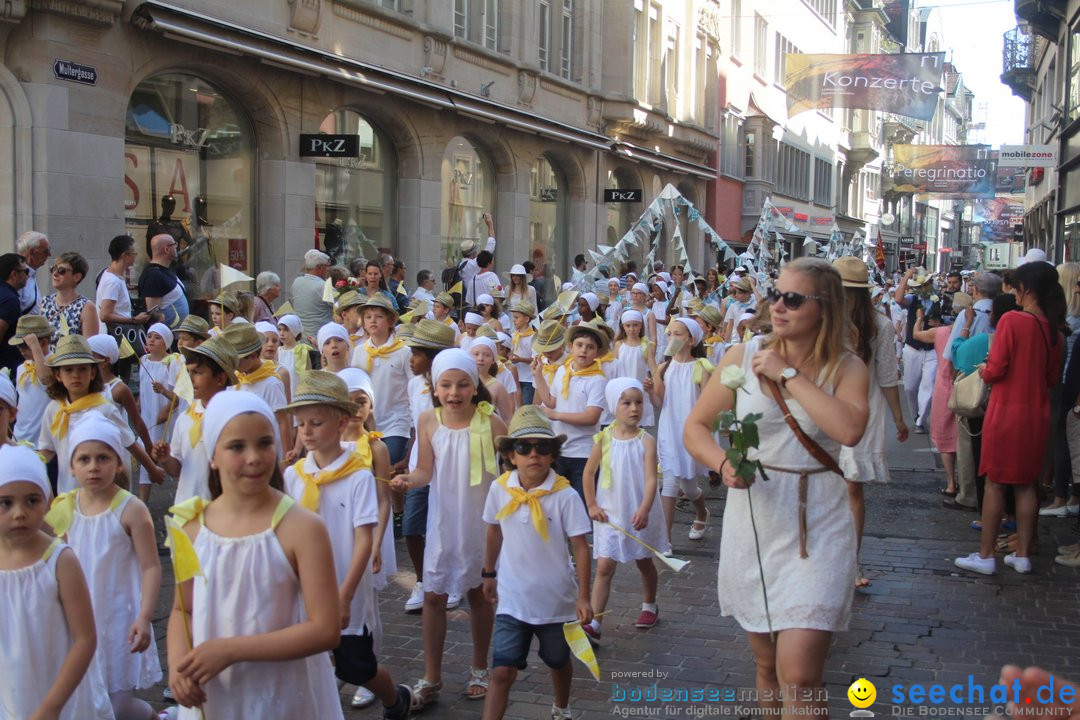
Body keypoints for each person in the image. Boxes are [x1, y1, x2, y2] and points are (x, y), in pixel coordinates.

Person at [684, 258, 869, 719]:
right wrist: (724, 463)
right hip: (756, 518)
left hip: (818, 521)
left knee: (801, 674)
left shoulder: (847, 368)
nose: (778, 307)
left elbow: (848, 430)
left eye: (793, 298)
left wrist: (787, 373)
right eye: (775, 295)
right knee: (767, 665)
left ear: (824, 308)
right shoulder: (740, 357)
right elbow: (696, 427)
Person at [165, 392, 345, 718]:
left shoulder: (302, 527)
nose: (254, 457)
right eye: (236, 447)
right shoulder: (189, 527)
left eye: (264, 443)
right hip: (215, 693)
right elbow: (183, 607)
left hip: (283, 694)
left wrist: (232, 650)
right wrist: (178, 663)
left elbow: (325, 629)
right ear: (213, 455)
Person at [282, 372, 413, 719]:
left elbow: (362, 538)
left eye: (316, 422)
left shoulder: (357, 476)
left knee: (357, 667)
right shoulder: (293, 477)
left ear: (341, 422)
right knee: (307, 663)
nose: (307, 431)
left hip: (345, 589)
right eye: (301, 424)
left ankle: (395, 698)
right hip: (303, 590)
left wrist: (345, 593)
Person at [390, 348, 507, 710]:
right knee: (433, 596)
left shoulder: (491, 422)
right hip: (444, 520)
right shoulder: (428, 420)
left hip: (480, 520)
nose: (454, 393)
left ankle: (479, 669)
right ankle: (432, 675)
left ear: (474, 387)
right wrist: (408, 479)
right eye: (446, 385)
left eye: (462, 385)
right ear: (434, 388)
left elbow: (510, 472)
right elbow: (426, 470)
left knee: (479, 594)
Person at [481, 405, 593, 720]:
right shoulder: (500, 489)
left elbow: (581, 548)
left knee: (557, 660)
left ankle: (561, 706)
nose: (534, 455)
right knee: (502, 670)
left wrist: (584, 596)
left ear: (553, 454)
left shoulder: (564, 495)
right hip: (512, 598)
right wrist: (488, 572)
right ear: (510, 455)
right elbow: (493, 530)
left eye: (542, 447)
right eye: (524, 447)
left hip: (556, 601)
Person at [46, 418, 162, 720]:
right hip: (79, 615)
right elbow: (54, 558)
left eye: (103, 458)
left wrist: (146, 616)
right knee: (88, 698)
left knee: (118, 704)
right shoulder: (64, 507)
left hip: (119, 618)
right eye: (84, 459)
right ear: (71, 466)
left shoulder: (131, 509)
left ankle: (154, 716)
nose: (93, 466)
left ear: (119, 464)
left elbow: (151, 567)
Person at [955, 261, 1065, 576]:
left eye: (1015, 287)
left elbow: (996, 368)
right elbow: (1051, 376)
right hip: (1037, 412)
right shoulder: (1052, 329)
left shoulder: (1014, 321)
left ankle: (986, 554)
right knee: (1026, 486)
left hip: (1007, 411)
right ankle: (1021, 554)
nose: (1012, 293)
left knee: (995, 484)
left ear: (1026, 289)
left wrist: (983, 370)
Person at [0, 444, 113, 720]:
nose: (19, 513)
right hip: (11, 690)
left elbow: (85, 639)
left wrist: (51, 707)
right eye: (5, 503)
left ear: (47, 502)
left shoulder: (60, 561)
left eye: (32, 500)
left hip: (63, 696)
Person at [832, 258, 906, 588]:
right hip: (853, 409)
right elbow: (888, 378)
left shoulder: (871, 325)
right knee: (848, 489)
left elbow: (888, 376)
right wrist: (899, 419)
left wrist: (900, 417)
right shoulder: (875, 323)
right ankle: (846, 562)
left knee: (843, 486)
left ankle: (847, 561)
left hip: (843, 409)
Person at [581, 378, 666, 643]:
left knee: (643, 561)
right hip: (609, 511)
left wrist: (645, 508)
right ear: (613, 406)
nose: (634, 408)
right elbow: (588, 472)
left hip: (636, 510)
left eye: (638, 402)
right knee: (605, 565)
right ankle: (594, 623)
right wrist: (592, 504)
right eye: (626, 403)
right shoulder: (603, 438)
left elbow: (652, 478)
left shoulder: (646, 441)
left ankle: (650, 604)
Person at [39, 334, 164, 494]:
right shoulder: (54, 409)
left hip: (105, 489)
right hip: (69, 490)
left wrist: (152, 469)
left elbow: (129, 443)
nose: (75, 375)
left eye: (82, 369)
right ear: (58, 375)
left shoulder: (104, 408)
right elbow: (47, 449)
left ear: (92, 373)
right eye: (68, 370)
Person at [400, 320, 459, 614]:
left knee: (448, 526)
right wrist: (407, 459)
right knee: (412, 528)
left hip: (449, 467)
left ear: (434, 356)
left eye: (416, 353)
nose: (411, 360)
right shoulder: (413, 385)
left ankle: (455, 580)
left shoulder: (454, 385)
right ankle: (423, 579)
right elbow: (416, 426)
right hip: (419, 467)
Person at [647, 317, 712, 542]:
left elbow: (707, 403)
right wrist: (650, 391)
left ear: (691, 340)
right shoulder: (663, 368)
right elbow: (659, 402)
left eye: (678, 334)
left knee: (691, 488)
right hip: (669, 432)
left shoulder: (701, 367)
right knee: (670, 484)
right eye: (669, 334)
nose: (671, 338)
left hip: (690, 433)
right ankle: (666, 541)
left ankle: (702, 512)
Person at [154, 335, 237, 505]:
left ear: (220, 378)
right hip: (188, 512)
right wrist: (166, 459)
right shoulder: (185, 419)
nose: (190, 380)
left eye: (198, 373)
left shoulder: (235, 419)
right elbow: (177, 469)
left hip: (225, 513)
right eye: (188, 372)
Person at [530, 321, 608, 502]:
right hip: (559, 449)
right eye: (579, 345)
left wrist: (556, 415)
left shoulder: (597, 379)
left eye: (590, 347)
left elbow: (591, 417)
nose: (584, 351)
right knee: (557, 503)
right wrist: (538, 375)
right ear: (570, 347)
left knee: (581, 505)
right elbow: (550, 401)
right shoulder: (562, 371)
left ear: (596, 352)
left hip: (583, 452)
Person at [351, 294, 413, 476]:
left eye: (379, 316)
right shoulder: (359, 351)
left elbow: (413, 387)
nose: (373, 321)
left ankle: (394, 505)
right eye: (368, 317)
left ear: (390, 321)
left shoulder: (404, 352)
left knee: (389, 467)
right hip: (368, 421)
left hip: (396, 422)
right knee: (368, 470)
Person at [224, 323, 292, 450]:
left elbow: (283, 421)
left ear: (254, 355)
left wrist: (286, 457)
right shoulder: (236, 380)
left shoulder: (271, 384)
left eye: (238, 360)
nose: (234, 365)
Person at [137, 323, 183, 503]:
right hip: (148, 417)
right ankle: (142, 502)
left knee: (173, 456)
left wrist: (164, 393)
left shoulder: (172, 363)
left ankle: (182, 494)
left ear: (166, 342)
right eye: (150, 336)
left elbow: (177, 396)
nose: (152, 340)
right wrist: (139, 403)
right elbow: (142, 387)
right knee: (146, 457)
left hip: (165, 418)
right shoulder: (143, 360)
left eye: (157, 338)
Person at [893, 267, 939, 433]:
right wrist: (906, 276)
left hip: (932, 348)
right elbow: (898, 299)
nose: (924, 287)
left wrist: (940, 324)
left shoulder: (939, 299)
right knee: (910, 387)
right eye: (921, 285)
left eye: (926, 283)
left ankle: (920, 420)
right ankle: (915, 414)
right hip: (913, 347)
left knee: (929, 385)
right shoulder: (913, 299)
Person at [39, 252, 100, 351]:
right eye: (53, 269)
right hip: (47, 364)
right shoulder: (45, 302)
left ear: (76, 277)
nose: (55, 273)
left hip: (72, 364)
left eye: (61, 270)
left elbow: (90, 349)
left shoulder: (86, 307)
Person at [11, 314, 53, 445]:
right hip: (20, 437)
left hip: (43, 442)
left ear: (44, 343)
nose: (21, 351)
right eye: (19, 347)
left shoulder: (55, 365)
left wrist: (35, 347)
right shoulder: (22, 368)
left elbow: (46, 380)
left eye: (25, 346)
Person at [613, 310, 656, 428]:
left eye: (635, 325)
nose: (632, 329)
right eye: (628, 325)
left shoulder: (646, 345)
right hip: (622, 389)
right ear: (623, 327)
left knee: (638, 422)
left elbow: (654, 369)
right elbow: (614, 368)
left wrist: (656, 386)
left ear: (641, 326)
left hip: (640, 389)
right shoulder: (619, 345)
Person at [97, 235, 151, 327]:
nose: (135, 257)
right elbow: (104, 315)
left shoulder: (112, 276)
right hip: (115, 335)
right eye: (134, 253)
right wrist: (134, 320)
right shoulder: (113, 281)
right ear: (125, 255)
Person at [138, 234, 189, 326]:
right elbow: (153, 316)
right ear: (167, 249)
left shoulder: (165, 270)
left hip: (178, 337)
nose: (177, 248)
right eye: (175, 245)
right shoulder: (153, 275)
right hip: (168, 337)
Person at [291, 249, 333, 342]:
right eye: (327, 267)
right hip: (319, 340)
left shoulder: (296, 282)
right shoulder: (324, 286)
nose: (328, 270)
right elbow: (340, 305)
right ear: (320, 267)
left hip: (300, 339)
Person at [0, 253, 30, 378]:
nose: (28, 276)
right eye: (26, 271)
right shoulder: (10, 300)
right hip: (6, 367)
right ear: (14, 274)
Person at [461, 213, 496, 307]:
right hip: (478, 306)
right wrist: (490, 225)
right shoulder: (472, 264)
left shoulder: (462, 265)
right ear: (473, 252)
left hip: (467, 306)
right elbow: (490, 246)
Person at [508, 301, 536, 405]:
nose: (514, 320)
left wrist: (520, 359)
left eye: (516, 317)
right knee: (515, 405)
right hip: (514, 377)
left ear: (526, 319)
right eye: (513, 317)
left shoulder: (533, 337)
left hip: (528, 379)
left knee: (525, 406)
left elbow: (535, 359)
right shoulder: (512, 335)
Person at [16, 230, 50, 315]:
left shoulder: (30, 273)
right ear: (32, 252)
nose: (49, 254)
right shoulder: (17, 275)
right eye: (46, 251)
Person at [276, 314, 312, 392]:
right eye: (279, 329)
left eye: (286, 330)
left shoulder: (301, 350)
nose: (281, 333)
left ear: (294, 330)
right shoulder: (278, 351)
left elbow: (308, 375)